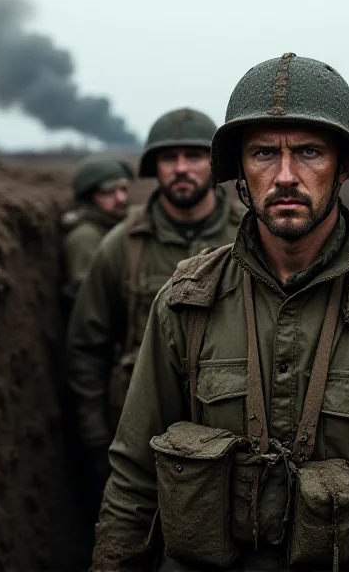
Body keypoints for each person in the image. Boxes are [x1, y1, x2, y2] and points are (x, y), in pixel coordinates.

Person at [92, 53, 349, 571]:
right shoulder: (186, 303)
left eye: (310, 152)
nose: (286, 175)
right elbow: (133, 480)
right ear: (240, 170)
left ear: (342, 168)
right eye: (264, 153)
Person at [66, 108, 242, 497]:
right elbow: (87, 348)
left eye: (193, 156)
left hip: (235, 439)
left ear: (213, 164)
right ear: (154, 167)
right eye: (168, 158)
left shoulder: (250, 236)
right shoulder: (121, 245)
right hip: (141, 434)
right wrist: (96, 439)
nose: (181, 168)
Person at [60, 154, 133, 308]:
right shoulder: (85, 237)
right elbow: (88, 299)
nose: (121, 198)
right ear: (89, 196)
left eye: (123, 189)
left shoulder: (115, 227)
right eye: (108, 191)